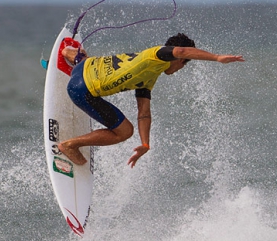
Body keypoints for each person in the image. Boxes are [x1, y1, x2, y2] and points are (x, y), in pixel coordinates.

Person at [58, 33, 244, 168]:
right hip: (81, 91)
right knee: (124, 132)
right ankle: (70, 145)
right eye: (184, 63)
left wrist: (145, 143)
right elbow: (181, 50)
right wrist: (217, 57)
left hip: (83, 68)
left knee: (96, 64)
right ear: (181, 60)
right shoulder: (156, 55)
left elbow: (144, 113)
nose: (181, 68)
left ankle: (71, 54)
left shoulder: (148, 73)